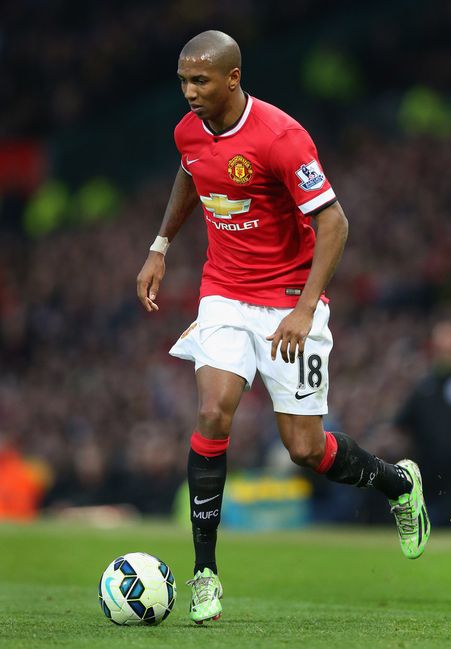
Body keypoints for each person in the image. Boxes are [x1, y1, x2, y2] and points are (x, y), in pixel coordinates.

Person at [137, 30, 430, 624]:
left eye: (201, 81)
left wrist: (305, 307)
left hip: (289, 302)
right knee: (213, 412)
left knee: (305, 449)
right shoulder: (187, 131)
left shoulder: (281, 137)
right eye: (183, 81)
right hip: (223, 294)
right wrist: (161, 244)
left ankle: (397, 484)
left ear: (233, 77)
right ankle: (205, 575)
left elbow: (336, 222)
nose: (190, 93)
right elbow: (191, 171)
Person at [394, 320, 451, 526]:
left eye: (450, 343)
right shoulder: (426, 384)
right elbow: (403, 421)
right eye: (441, 345)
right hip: (429, 471)